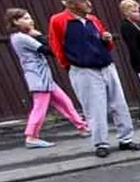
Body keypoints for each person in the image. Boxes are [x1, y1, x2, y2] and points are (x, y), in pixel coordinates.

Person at [48, 0, 140, 158]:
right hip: (84, 70)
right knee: (95, 108)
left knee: (119, 104)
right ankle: (101, 143)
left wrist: (107, 40)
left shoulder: (93, 20)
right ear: (71, 3)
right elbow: (56, 46)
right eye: (84, 1)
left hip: (106, 65)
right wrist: (69, 65)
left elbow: (107, 44)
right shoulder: (59, 21)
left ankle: (126, 139)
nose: (89, 4)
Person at [6, 8, 89, 149]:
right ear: (15, 21)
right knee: (39, 108)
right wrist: (38, 35)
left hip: (44, 78)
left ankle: (82, 127)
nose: (30, 21)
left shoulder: (22, 36)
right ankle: (31, 136)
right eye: (25, 18)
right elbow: (49, 50)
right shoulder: (21, 38)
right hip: (38, 78)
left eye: (30, 17)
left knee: (65, 102)